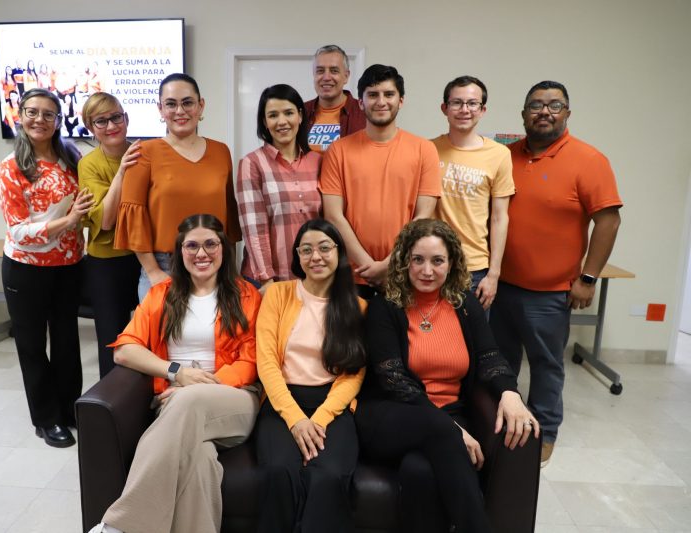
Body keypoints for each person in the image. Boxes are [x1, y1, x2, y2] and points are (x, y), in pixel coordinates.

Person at [355, 218, 539, 532]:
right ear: (404, 261)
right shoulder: (385, 307)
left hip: (449, 413)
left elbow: (489, 355)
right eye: (418, 260)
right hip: (391, 414)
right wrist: (451, 430)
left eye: (437, 261)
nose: (427, 270)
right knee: (439, 433)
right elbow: (394, 380)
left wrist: (510, 393)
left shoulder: (465, 305)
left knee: (420, 471)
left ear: (451, 263)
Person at [88, 214, 262, 533]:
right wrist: (176, 372)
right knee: (199, 462)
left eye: (210, 244)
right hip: (174, 403)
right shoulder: (162, 294)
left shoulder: (247, 295)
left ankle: (120, 526)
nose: (201, 253)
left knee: (189, 402)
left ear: (223, 248)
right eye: (191, 246)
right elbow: (124, 349)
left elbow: (251, 362)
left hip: (235, 400)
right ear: (179, 252)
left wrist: (196, 388)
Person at [490, 81, 622, 467]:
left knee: (546, 365)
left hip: (549, 293)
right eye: (536, 105)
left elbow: (609, 221)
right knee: (499, 362)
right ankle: (503, 424)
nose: (544, 112)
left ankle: (545, 432)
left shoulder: (589, 159)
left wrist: (589, 278)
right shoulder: (505, 155)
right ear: (523, 114)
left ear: (567, 113)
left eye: (554, 105)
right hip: (499, 286)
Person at [255, 218, 365, 533]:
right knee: (279, 471)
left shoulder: (357, 306)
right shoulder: (277, 294)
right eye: (306, 250)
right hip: (282, 401)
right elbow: (267, 362)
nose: (315, 256)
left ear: (338, 253)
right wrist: (296, 419)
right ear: (297, 257)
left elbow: (353, 374)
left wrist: (319, 419)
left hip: (332, 405)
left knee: (328, 475)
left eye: (324, 248)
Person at [0, 88, 93, 448]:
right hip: (27, 268)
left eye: (48, 114)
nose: (40, 119)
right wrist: (69, 221)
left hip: (69, 265)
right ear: (20, 116)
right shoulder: (11, 167)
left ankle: (69, 410)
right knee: (32, 344)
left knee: (67, 341)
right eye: (32, 112)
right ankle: (46, 419)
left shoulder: (71, 157)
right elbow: (19, 231)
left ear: (58, 120)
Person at [115, 72, 241, 301]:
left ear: (201, 106)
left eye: (187, 102)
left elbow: (228, 217)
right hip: (164, 268)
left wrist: (230, 271)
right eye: (171, 104)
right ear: (160, 109)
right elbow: (134, 219)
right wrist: (154, 272)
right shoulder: (143, 152)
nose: (180, 111)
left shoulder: (221, 152)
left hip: (214, 266)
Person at [321, 64, 441, 300]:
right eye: (373, 94)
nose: (381, 101)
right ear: (361, 102)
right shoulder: (338, 150)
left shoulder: (424, 149)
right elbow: (333, 215)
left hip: (405, 271)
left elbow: (423, 216)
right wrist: (368, 266)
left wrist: (389, 264)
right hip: (351, 274)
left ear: (401, 100)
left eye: (389, 94)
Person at [433, 76, 515, 311]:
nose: (464, 110)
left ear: (482, 110)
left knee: (471, 334)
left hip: (474, 268)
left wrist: (493, 274)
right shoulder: (427, 149)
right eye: (457, 103)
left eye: (472, 103)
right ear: (444, 108)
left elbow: (500, 217)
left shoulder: (499, 154)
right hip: (431, 262)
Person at [78, 92, 142, 378]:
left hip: (146, 257)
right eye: (101, 121)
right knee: (112, 339)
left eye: (116, 117)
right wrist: (122, 172)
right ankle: (112, 400)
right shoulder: (89, 164)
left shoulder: (146, 153)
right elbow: (106, 220)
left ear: (126, 118)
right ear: (90, 128)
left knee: (149, 335)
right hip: (107, 261)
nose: (111, 126)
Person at [236, 84, 322, 293]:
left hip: (313, 275)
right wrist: (267, 280)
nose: (282, 121)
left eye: (289, 113)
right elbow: (254, 227)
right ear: (265, 122)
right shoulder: (252, 163)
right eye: (273, 115)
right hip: (269, 280)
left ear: (300, 116)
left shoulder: (317, 161)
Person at [304, 44, 365, 153]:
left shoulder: (364, 113)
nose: (326, 77)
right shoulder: (301, 112)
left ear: (346, 76)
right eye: (320, 71)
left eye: (334, 71)